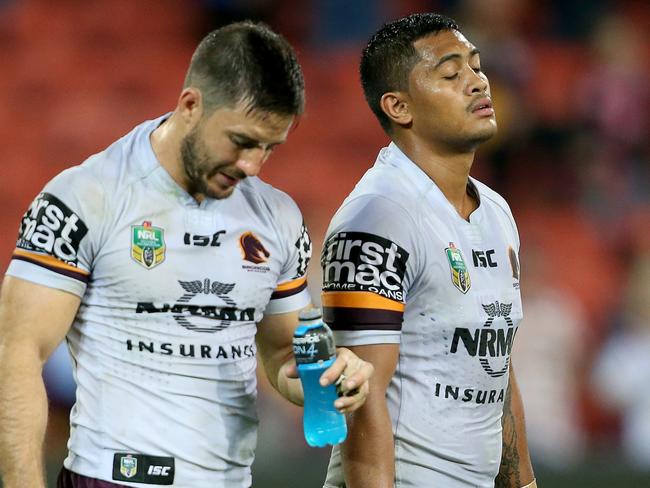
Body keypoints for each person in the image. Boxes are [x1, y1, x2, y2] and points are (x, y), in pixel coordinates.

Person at [0, 21, 373, 488]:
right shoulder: (85, 198)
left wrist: (331, 378)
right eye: (240, 142)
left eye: (268, 148)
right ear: (191, 105)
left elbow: (283, 354)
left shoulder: (277, 217)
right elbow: (17, 354)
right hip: (114, 479)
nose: (253, 165)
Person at [320, 13, 535, 488]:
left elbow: (495, 366)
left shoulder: (496, 211)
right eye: (451, 73)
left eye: (477, 67)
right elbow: (360, 397)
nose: (478, 83)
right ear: (399, 106)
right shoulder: (376, 219)